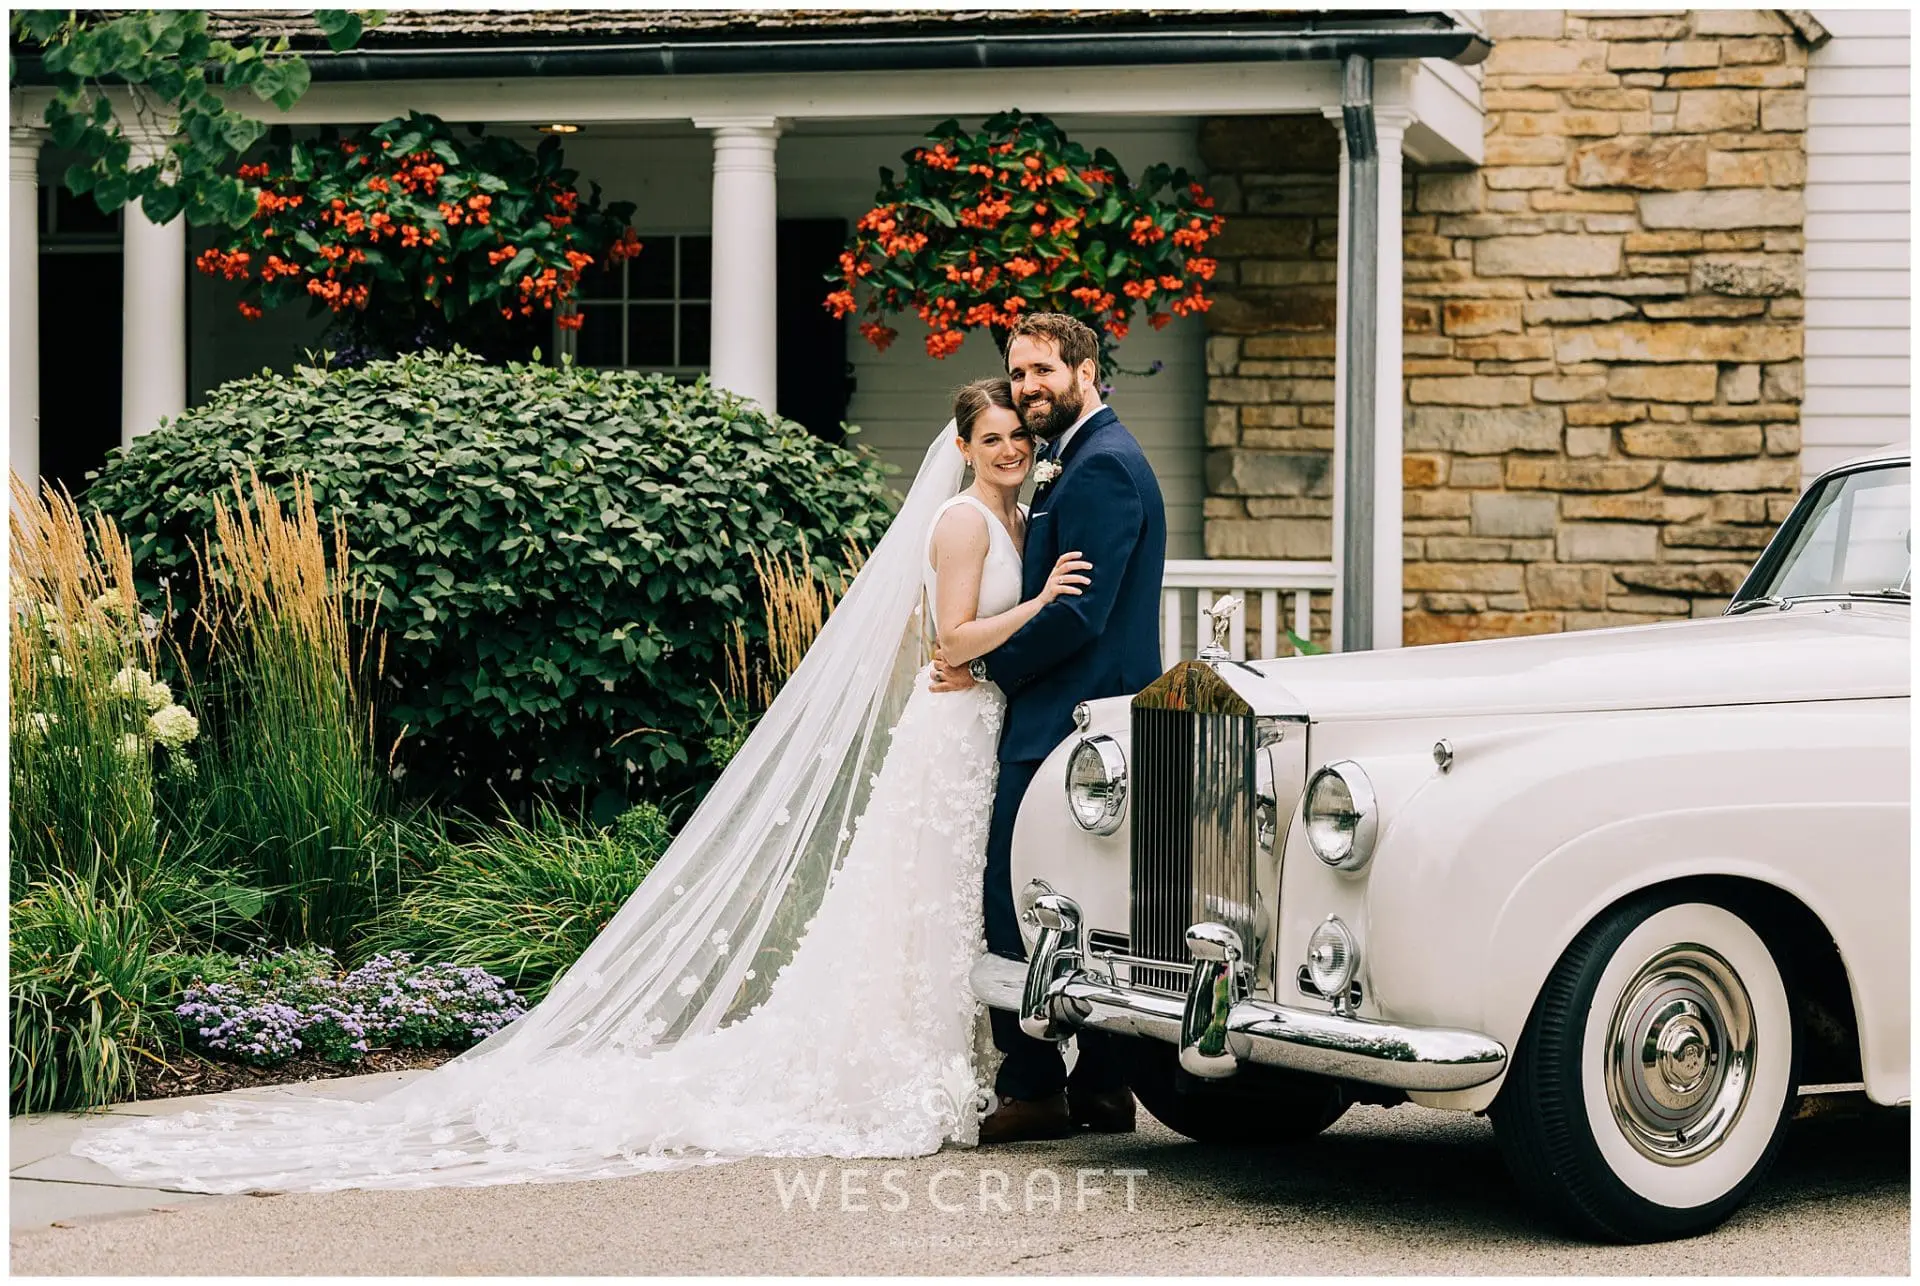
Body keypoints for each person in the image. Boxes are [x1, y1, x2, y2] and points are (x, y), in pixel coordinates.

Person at [72, 375, 1093, 1193]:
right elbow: (952, 638)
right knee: (919, 897)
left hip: (977, 727)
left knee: (941, 903)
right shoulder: (963, 521)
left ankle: (959, 1058)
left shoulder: (1016, 514)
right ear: (963, 446)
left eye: (1018, 435)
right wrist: (1042, 602)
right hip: (951, 734)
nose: (1010, 447)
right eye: (992, 436)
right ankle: (899, 1064)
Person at [930, 312, 1169, 1143]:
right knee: (1085, 904)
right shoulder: (1081, 459)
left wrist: (986, 669)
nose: (1029, 386)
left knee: (1017, 899)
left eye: (1043, 370)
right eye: (1018, 371)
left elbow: (1079, 616)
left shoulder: (1100, 467)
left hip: (1072, 725)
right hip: (1077, 722)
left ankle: (1034, 1088)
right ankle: (1100, 1087)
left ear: (1085, 370)